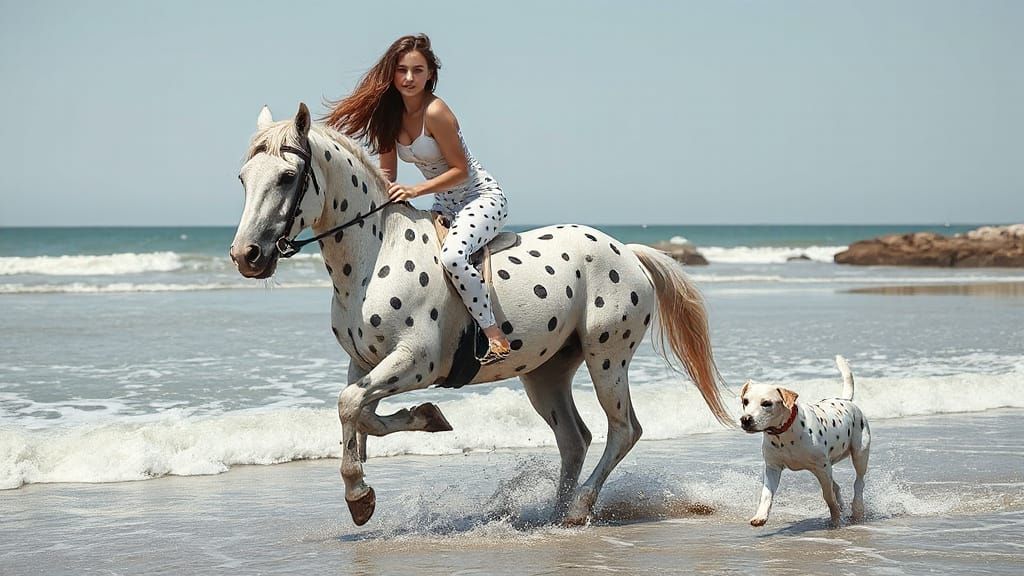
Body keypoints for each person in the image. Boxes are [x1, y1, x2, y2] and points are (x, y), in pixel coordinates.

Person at [325, 34, 511, 365]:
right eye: (401, 70)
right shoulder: (388, 118)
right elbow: (387, 177)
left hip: (480, 196)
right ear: (391, 74)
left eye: (417, 70)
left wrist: (414, 191)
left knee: (453, 257)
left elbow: (461, 171)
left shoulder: (436, 112)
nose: (409, 78)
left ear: (430, 75)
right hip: (443, 204)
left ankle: (494, 336)